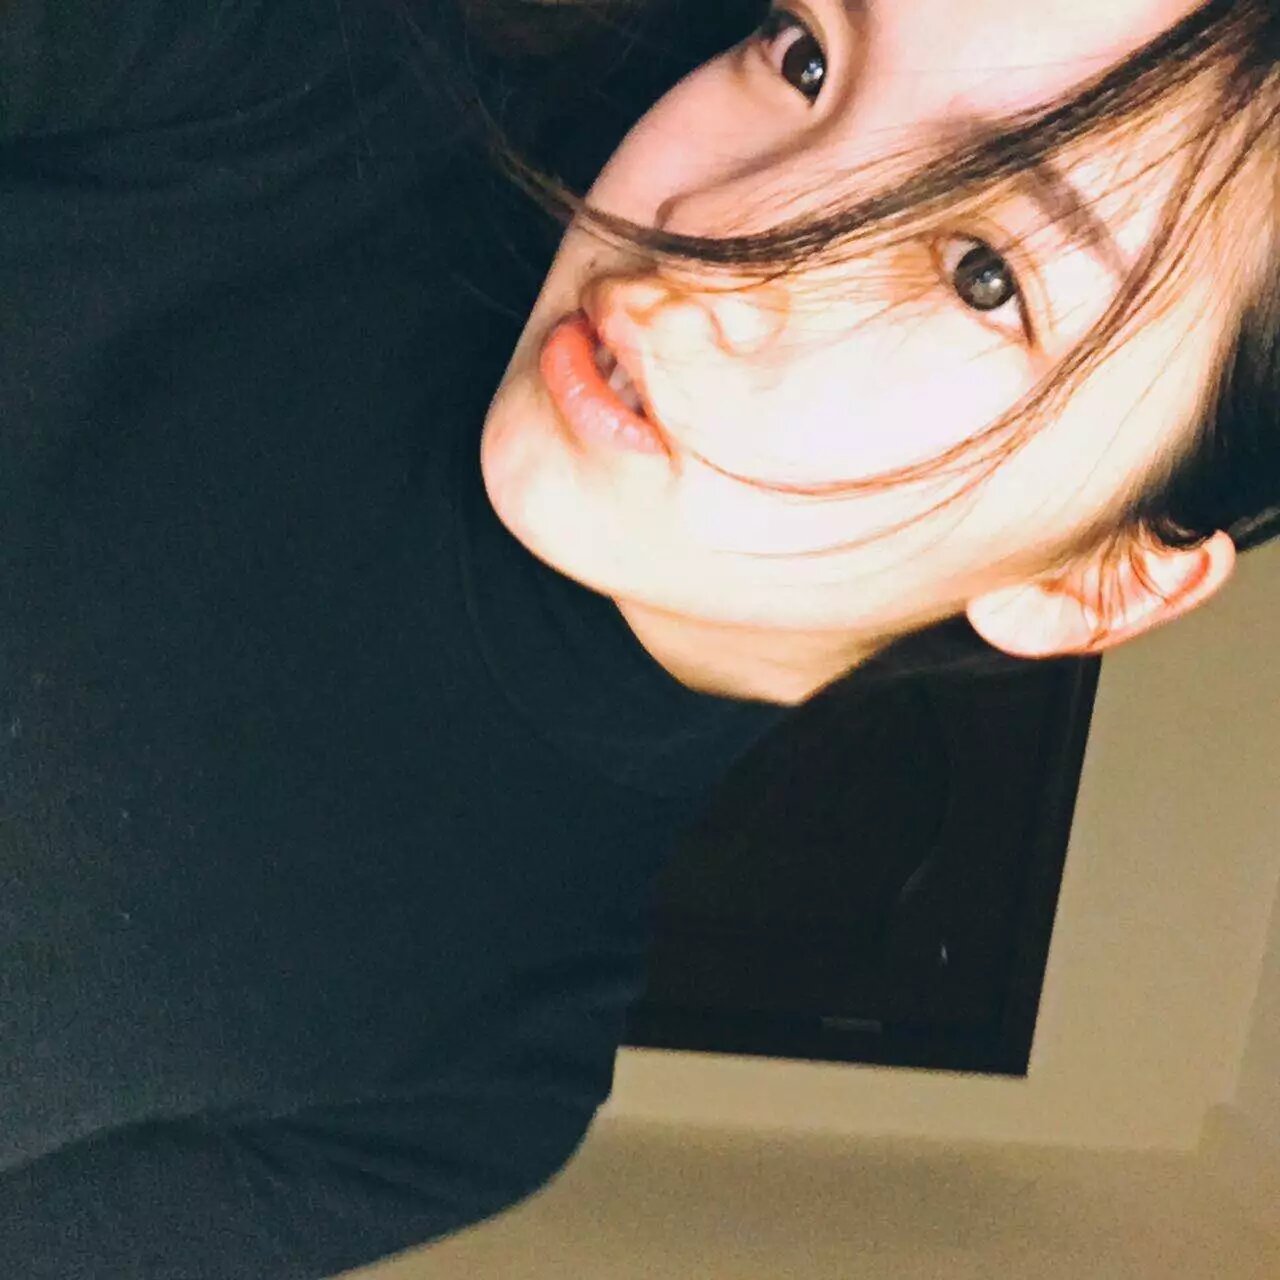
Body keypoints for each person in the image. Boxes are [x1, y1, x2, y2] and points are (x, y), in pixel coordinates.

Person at [0, 2, 1274, 1279]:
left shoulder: (468, 1092)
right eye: (805, 56)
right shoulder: (290, 76)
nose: (714, 235)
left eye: (980, 272)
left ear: (1098, 581)